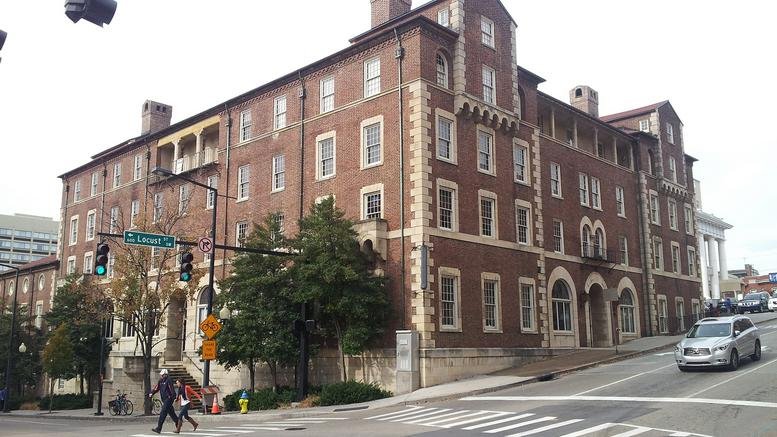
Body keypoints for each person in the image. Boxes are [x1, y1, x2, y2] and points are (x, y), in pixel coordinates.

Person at [149, 369, 178, 434]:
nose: (161, 376)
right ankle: (178, 422)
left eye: (162, 375)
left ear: (165, 375)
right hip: (164, 399)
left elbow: (171, 389)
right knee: (171, 412)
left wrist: (173, 397)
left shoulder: (169, 379)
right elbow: (156, 388)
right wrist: (151, 393)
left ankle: (159, 428)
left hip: (169, 398)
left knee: (163, 412)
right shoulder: (160, 381)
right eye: (161, 375)